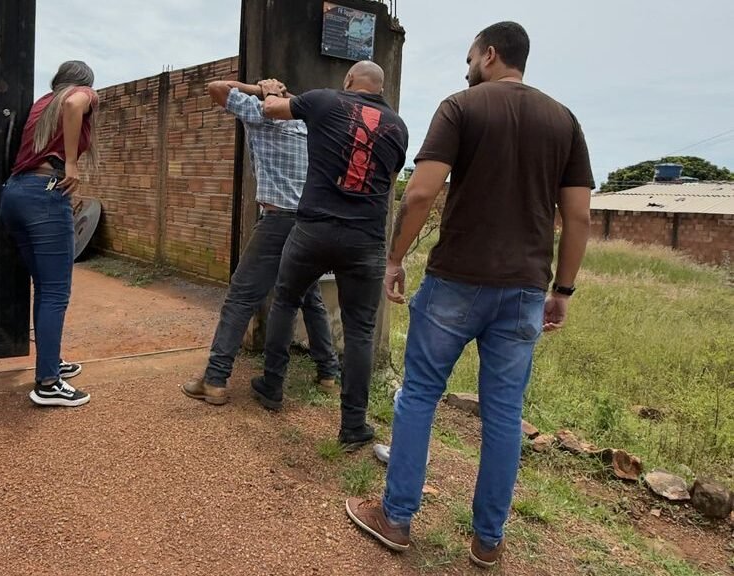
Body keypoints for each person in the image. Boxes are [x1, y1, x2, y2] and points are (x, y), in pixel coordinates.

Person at [344, 22, 594, 567]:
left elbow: (422, 192)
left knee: (419, 396)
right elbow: (577, 215)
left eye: (470, 57)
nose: (466, 68)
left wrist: (393, 258)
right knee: (504, 415)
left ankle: (396, 517)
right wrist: (564, 289)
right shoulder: (564, 120)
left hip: (456, 282)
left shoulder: (460, 107)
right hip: (526, 290)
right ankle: (487, 540)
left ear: (490, 53)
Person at [253, 62, 408, 451]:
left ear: (349, 80)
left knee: (286, 300)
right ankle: (353, 426)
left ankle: (272, 386)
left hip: (313, 230)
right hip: (365, 239)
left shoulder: (324, 101)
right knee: (360, 330)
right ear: (381, 87)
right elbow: (388, 184)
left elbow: (272, 110)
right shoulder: (398, 127)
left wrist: (270, 89)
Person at [182, 77, 340, 406]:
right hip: (311, 223)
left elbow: (216, 88)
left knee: (241, 297)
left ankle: (215, 379)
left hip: (279, 221)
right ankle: (328, 374)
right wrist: (286, 95)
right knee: (310, 297)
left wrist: (260, 89)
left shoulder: (260, 114)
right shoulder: (309, 124)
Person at [0, 60, 101, 407]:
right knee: (56, 291)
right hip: (45, 195)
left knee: (44, 288)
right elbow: (76, 104)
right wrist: (71, 162)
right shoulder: (80, 94)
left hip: (15, 193)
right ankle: (47, 384)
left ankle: (50, 363)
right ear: (84, 82)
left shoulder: (43, 103)